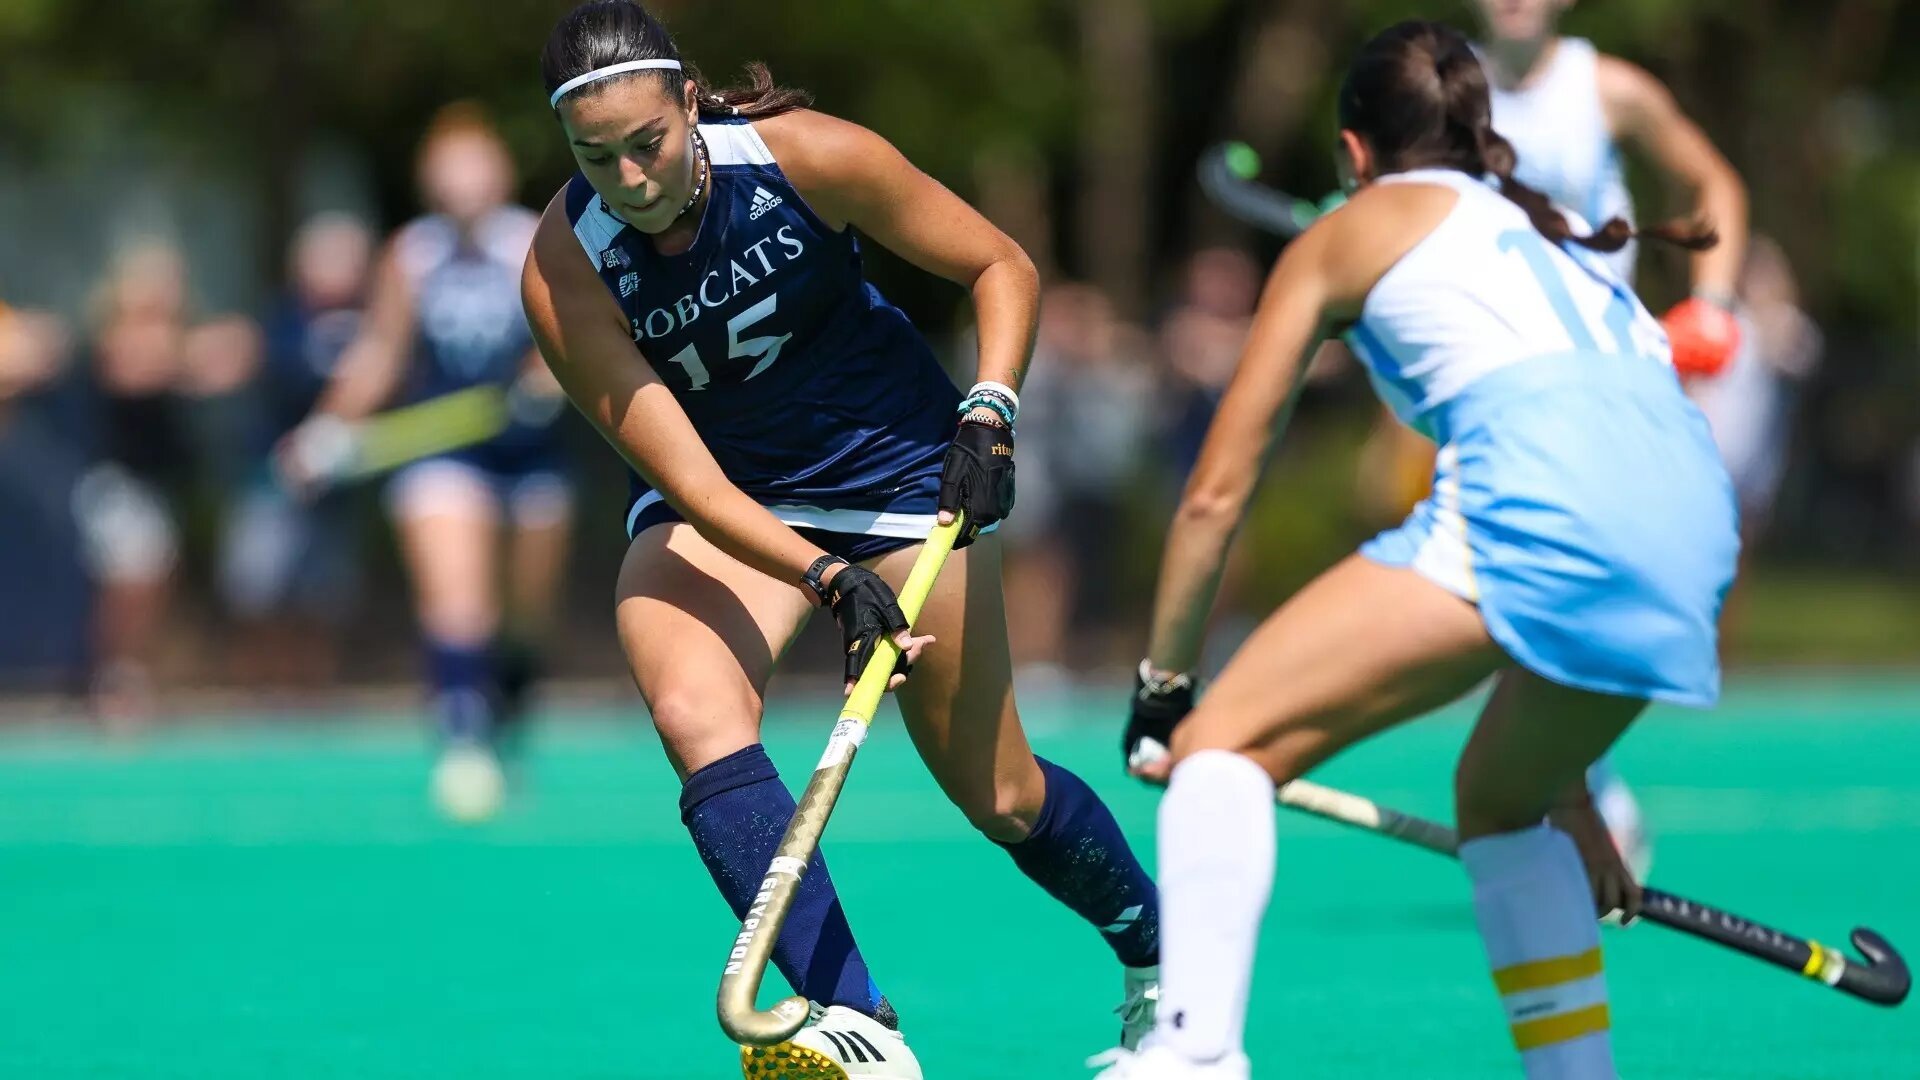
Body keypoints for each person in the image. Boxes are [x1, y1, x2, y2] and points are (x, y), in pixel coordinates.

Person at [520, 3, 1161, 1076]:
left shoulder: (806, 157)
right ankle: (861, 1026)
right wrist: (824, 578)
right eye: (597, 159)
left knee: (998, 796)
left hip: (900, 478)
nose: (629, 180)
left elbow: (1001, 265)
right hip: (727, 500)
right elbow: (685, 474)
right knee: (691, 703)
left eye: (648, 145)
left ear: (690, 103)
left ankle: (1162, 963)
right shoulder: (562, 265)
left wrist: (991, 410)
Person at [1099, 21, 1738, 1079]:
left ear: (1355, 153)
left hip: (1542, 503)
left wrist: (1166, 685)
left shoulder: (1344, 234)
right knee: (1503, 802)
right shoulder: (1560, 231)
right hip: (1693, 527)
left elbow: (1215, 494)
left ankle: (1192, 1055)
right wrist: (1569, 789)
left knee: (1225, 747)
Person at [1470, 0, 1751, 870]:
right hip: (1491, 378)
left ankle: (1584, 798)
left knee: (1565, 588)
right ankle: (1586, 798)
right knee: (1501, 595)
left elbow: (1718, 188)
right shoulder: (1445, 89)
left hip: (1602, 376)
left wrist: (1713, 299)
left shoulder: (1610, 87)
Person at [283, 104, 574, 820]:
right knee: (456, 600)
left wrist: (547, 376)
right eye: (448, 164)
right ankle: (462, 743)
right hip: (444, 452)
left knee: (524, 617)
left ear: (498, 170)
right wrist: (325, 427)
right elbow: (381, 354)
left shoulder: (531, 240)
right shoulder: (411, 253)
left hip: (532, 452)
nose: (462, 178)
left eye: (475, 161)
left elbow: (573, 334)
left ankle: (508, 722)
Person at [221, 213, 376, 688]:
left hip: (337, 488)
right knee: (257, 590)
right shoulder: (279, 322)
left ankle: (316, 690)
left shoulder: (378, 325)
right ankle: (262, 688)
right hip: (273, 479)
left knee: (325, 596)